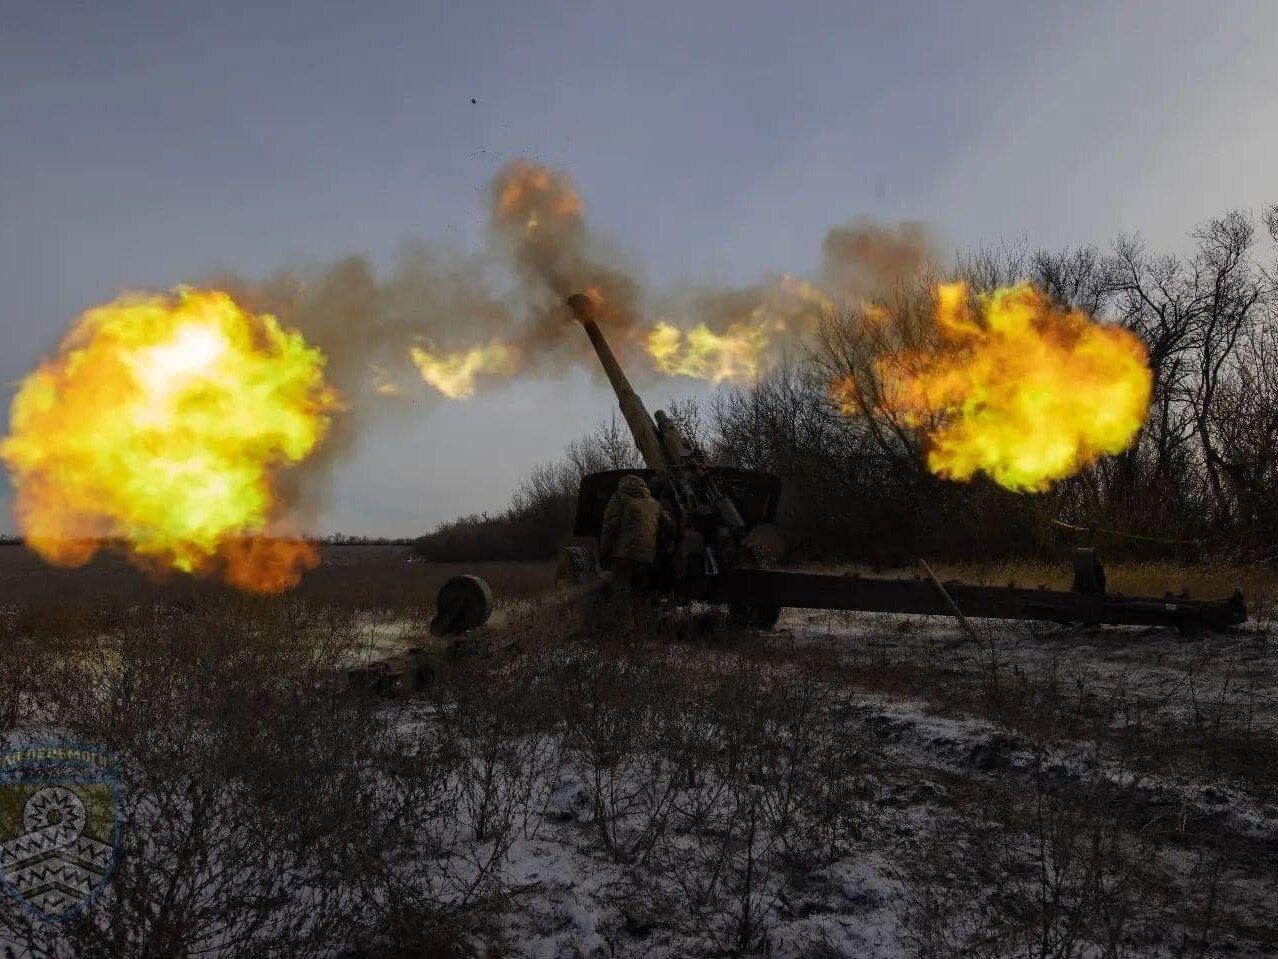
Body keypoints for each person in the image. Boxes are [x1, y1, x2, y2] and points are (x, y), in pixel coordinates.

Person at [599, 473, 674, 599]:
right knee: (639, 595)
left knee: (620, 595)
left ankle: (620, 617)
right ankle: (640, 617)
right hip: (646, 556)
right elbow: (671, 527)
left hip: (623, 556)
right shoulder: (654, 503)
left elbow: (610, 527)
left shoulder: (618, 498)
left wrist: (604, 553)